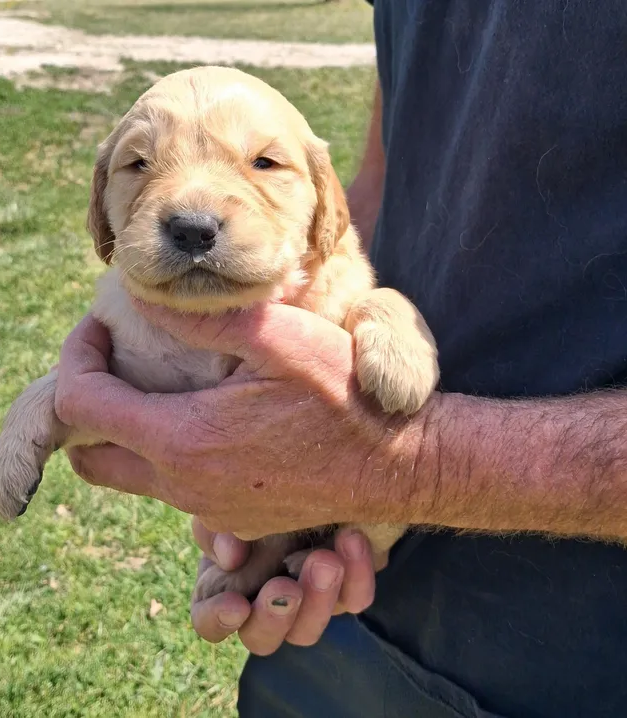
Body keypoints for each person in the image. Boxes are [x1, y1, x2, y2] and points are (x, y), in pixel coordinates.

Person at [55, 2, 627, 716]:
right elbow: (380, 182)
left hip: (592, 642)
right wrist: (265, 452)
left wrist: (405, 467)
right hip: (360, 610)